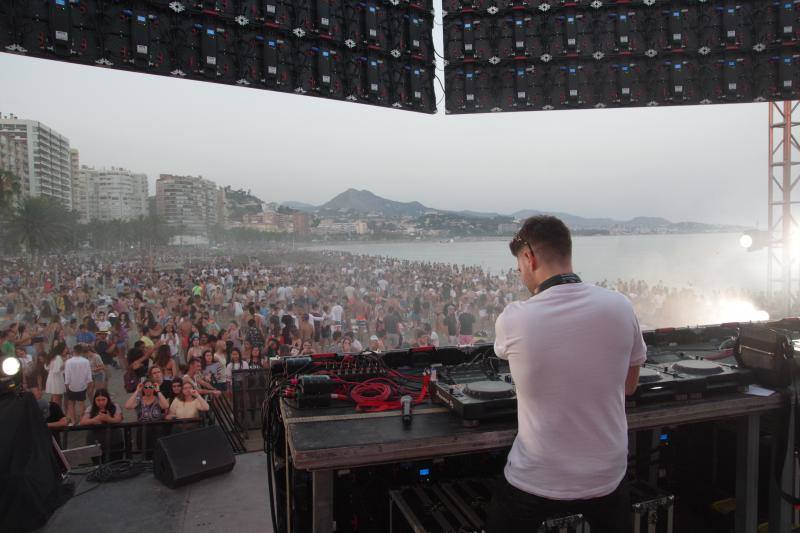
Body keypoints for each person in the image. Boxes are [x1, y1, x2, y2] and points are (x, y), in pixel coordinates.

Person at [486, 216, 645, 533]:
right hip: (607, 475)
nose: (520, 273)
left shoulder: (515, 318)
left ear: (529, 258)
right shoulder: (620, 306)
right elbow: (629, 386)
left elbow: (508, 356)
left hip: (538, 476)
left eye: (520, 264)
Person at [80, 388, 124, 462]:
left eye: (103, 400)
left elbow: (118, 419)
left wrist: (108, 419)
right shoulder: (90, 408)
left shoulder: (115, 406)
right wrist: (94, 420)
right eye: (98, 400)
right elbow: (82, 421)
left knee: (116, 463)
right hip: (95, 442)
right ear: (95, 400)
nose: (101, 402)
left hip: (114, 441)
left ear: (108, 399)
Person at [64, 344, 92, 425]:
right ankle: (81, 420)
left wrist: (66, 384)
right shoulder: (86, 361)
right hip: (82, 385)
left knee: (71, 403)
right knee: (81, 403)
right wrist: (89, 384)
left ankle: (73, 421)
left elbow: (67, 375)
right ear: (81, 351)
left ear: (74, 351)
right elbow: (88, 374)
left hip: (71, 385)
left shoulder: (68, 362)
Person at [44, 342, 67, 410]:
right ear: (61, 349)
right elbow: (57, 370)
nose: (66, 350)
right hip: (56, 379)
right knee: (56, 398)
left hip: (53, 378)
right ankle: (55, 413)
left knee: (57, 397)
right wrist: (64, 364)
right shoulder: (58, 357)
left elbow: (46, 367)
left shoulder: (53, 356)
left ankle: (58, 412)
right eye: (65, 348)